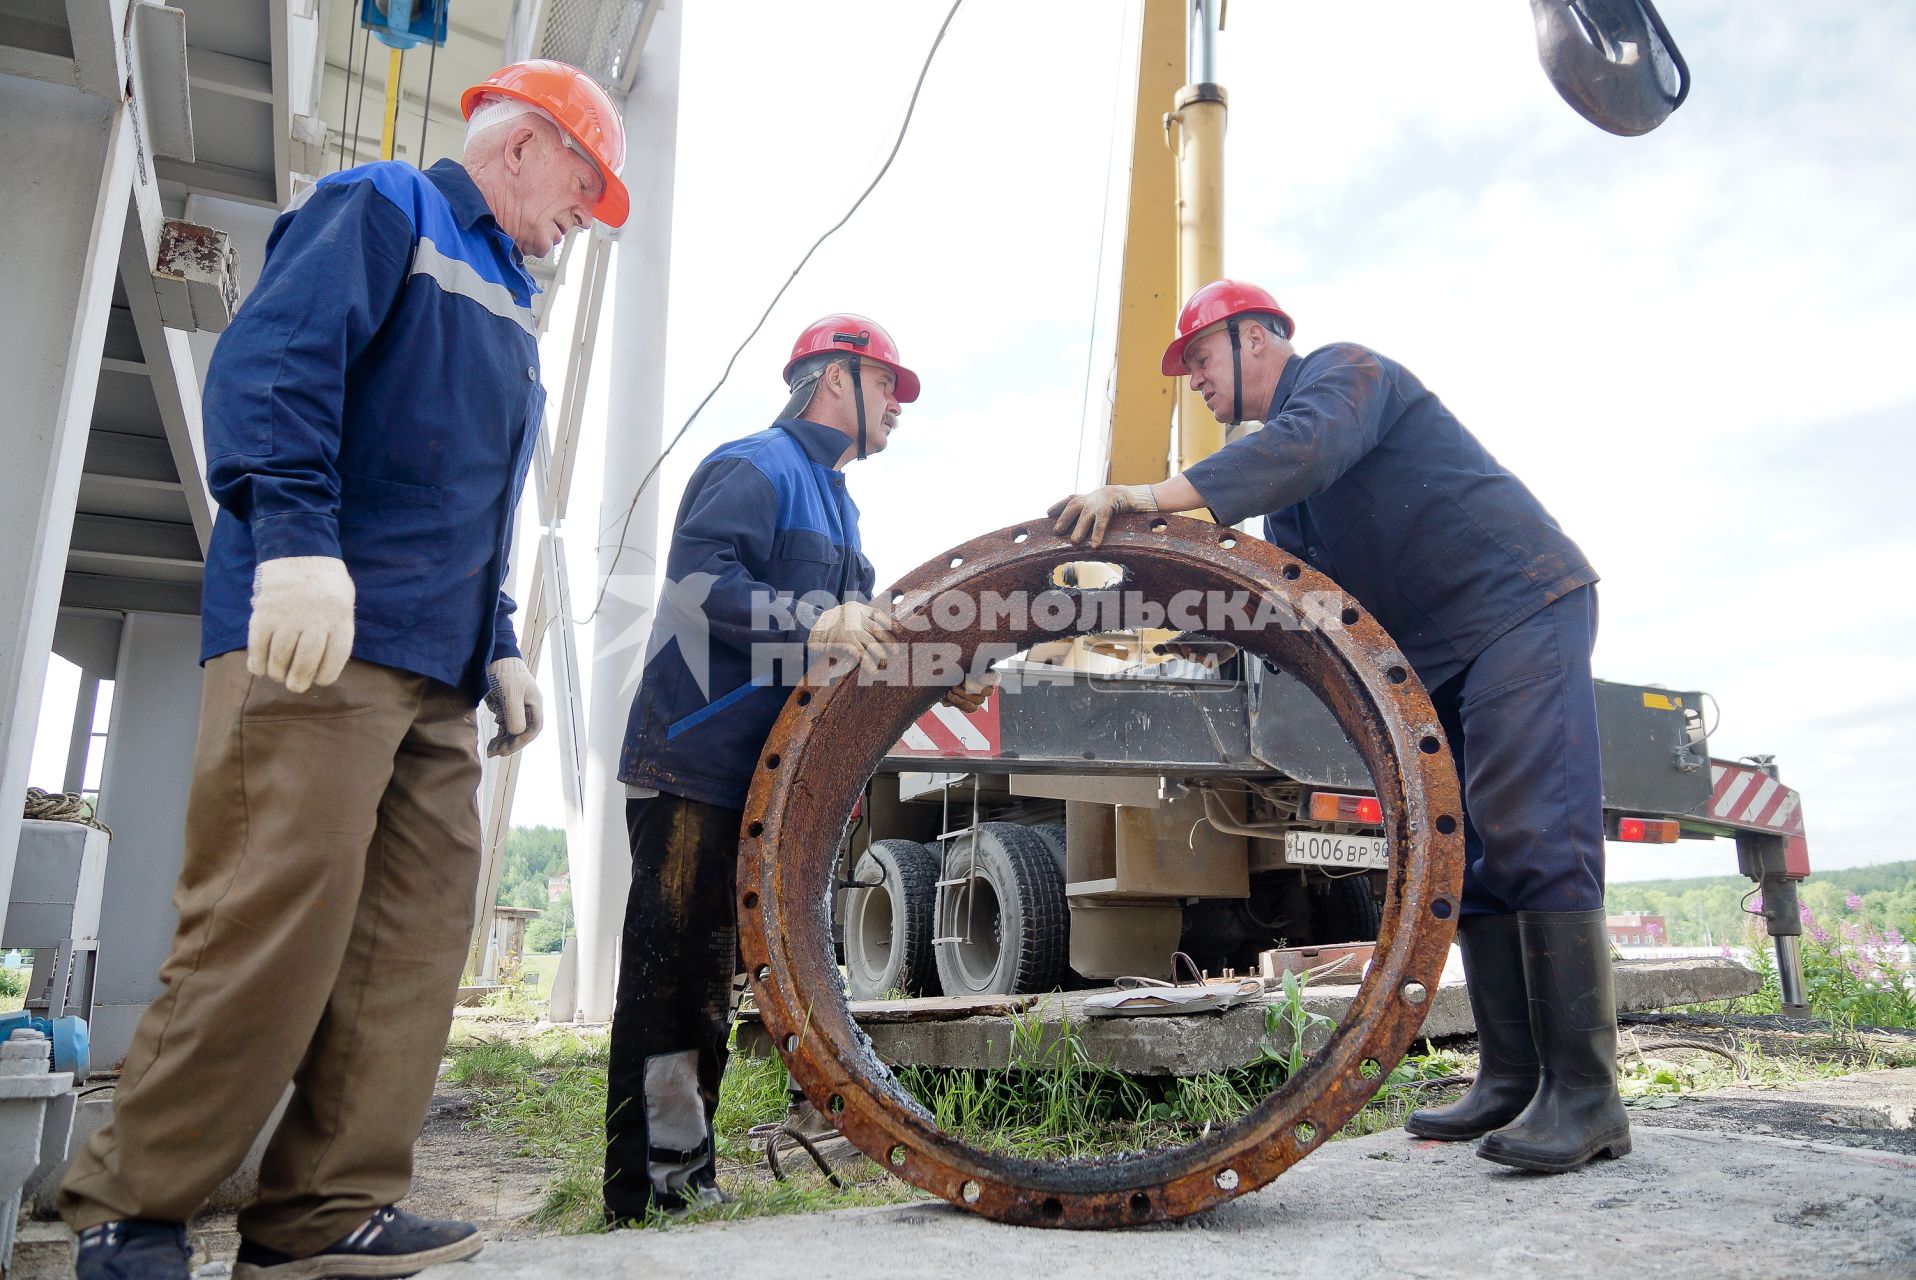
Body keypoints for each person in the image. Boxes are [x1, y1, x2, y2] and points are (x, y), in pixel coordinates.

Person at [60, 60, 630, 1279]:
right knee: (270, 922)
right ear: (523, 146)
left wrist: (504, 642)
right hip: (320, 640)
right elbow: (274, 372)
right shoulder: (382, 208)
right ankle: (133, 1207)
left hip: (438, 665)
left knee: (413, 941)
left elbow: (467, 495)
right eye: (584, 181)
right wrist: (298, 544)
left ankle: (322, 1207)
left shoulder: (511, 302)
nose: (585, 212)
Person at [1048, 279, 1629, 1174]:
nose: (1193, 381)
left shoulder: (1347, 378)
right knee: (1465, 850)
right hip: (1440, 656)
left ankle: (1587, 1098)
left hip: (1518, 609)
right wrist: (1174, 621)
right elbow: (1297, 601)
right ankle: (1514, 1075)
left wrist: (1157, 495)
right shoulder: (1287, 504)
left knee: (1532, 833)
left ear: (1259, 336)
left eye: (1198, 357)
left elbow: (1305, 447)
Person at [606, 315, 987, 1221]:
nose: (897, 405)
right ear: (832, 379)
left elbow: (861, 641)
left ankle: (684, 1181)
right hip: (694, 764)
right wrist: (810, 622)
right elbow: (697, 584)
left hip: (760, 787)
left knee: (721, 987)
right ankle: (654, 1194)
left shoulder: (837, 504)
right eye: (887, 384)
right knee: (674, 987)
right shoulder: (756, 466)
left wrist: (943, 674)